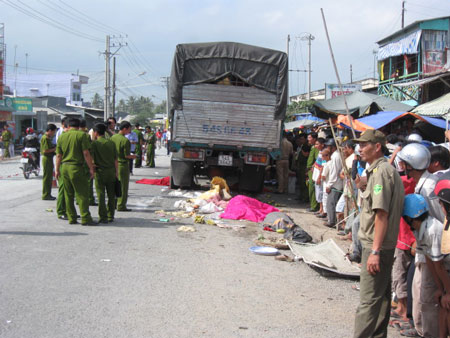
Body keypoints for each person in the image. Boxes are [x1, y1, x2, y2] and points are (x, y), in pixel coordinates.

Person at [353, 129, 405, 338]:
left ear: (377, 147)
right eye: (360, 144)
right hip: (380, 245)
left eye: (365, 144)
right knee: (381, 300)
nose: (360, 148)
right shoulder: (378, 171)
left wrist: (374, 251)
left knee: (368, 302)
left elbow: (381, 214)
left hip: (377, 246)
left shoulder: (382, 172)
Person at [397, 142, 444, 337]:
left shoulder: (429, 187)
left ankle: (428, 331)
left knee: (427, 295)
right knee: (419, 291)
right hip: (425, 247)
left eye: (404, 164)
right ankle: (421, 328)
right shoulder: (422, 183)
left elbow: (438, 219)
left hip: (433, 249)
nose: (401, 167)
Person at [403, 193, 450, 338]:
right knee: (441, 305)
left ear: (410, 217)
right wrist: (439, 287)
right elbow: (429, 260)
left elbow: (439, 265)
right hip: (441, 271)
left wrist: (447, 292)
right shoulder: (419, 230)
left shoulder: (432, 230)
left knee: (446, 306)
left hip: (446, 269)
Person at [55, 118, 96, 226]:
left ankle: (71, 217)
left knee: (68, 194)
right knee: (82, 194)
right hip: (76, 167)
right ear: (79, 126)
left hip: (64, 167)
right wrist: (91, 168)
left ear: (68, 126)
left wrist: (56, 170)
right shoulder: (81, 135)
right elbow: (86, 153)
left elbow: (59, 155)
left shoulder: (62, 136)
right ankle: (85, 218)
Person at [91, 123, 118, 223]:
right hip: (111, 171)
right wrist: (117, 172)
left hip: (100, 171)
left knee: (101, 195)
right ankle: (111, 215)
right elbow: (116, 159)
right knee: (111, 195)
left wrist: (92, 168)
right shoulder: (111, 143)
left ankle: (103, 216)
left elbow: (91, 158)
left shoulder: (94, 144)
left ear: (96, 132)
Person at [111, 121, 136, 212]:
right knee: (123, 186)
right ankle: (121, 205)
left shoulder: (113, 137)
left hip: (113, 164)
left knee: (114, 185)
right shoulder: (125, 140)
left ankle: (113, 203)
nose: (130, 131)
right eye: (129, 129)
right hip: (122, 164)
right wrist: (134, 156)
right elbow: (126, 155)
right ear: (125, 129)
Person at [324, 138, 343, 228]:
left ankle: (331, 221)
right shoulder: (337, 155)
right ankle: (331, 219)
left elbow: (334, 172)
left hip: (335, 183)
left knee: (331, 202)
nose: (327, 148)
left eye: (328, 146)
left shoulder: (336, 156)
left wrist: (329, 185)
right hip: (336, 182)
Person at [56, 117, 69, 220]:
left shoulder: (64, 135)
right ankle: (61, 211)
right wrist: (56, 169)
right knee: (63, 189)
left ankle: (67, 210)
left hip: (65, 165)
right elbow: (59, 155)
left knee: (67, 190)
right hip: (63, 165)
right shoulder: (62, 136)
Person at [40, 124, 57, 200]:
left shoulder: (48, 138)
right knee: (47, 177)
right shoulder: (45, 138)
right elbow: (45, 150)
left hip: (49, 158)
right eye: (53, 132)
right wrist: (55, 149)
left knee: (49, 177)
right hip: (47, 158)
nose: (54, 133)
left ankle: (48, 194)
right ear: (50, 131)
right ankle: (46, 194)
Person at [306, 132, 319, 212]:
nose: (308, 139)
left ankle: (314, 206)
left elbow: (318, 159)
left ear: (314, 139)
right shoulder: (312, 147)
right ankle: (312, 204)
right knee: (310, 188)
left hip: (313, 170)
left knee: (313, 189)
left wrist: (313, 166)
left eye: (309, 137)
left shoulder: (316, 148)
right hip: (310, 170)